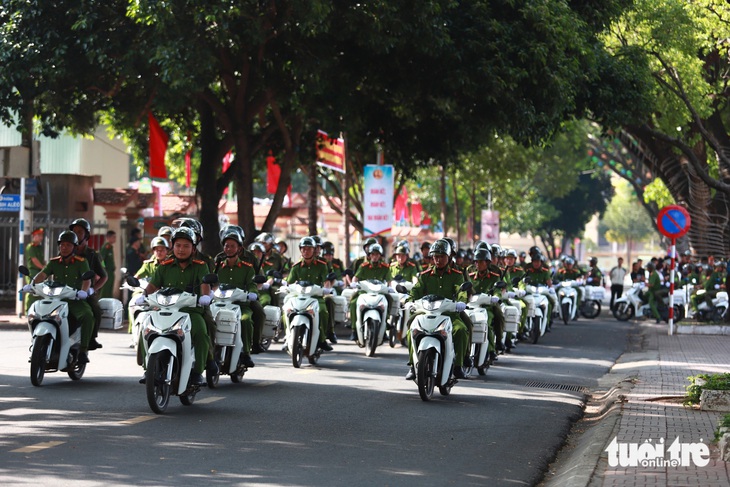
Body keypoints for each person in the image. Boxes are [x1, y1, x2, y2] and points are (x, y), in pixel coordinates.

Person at [137, 227, 215, 385]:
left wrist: (205, 297)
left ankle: (198, 371)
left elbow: (204, 285)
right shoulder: (165, 265)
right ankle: (147, 368)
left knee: (200, 333)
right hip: (165, 310)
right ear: (172, 246)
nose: (181, 249)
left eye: (186, 246)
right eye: (178, 245)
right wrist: (143, 295)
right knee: (145, 328)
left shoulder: (201, 266)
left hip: (190, 312)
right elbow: (153, 285)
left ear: (193, 248)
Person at [26, 231, 94, 363]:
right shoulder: (54, 262)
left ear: (74, 247)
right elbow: (42, 275)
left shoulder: (81, 262)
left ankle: (83, 350)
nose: (64, 247)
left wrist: (83, 292)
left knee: (87, 315)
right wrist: (32, 284)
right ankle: (37, 343)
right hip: (56, 299)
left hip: (74, 300)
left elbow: (87, 280)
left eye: (68, 245)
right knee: (36, 314)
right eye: (62, 245)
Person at [406, 239, 469, 380]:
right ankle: (412, 365)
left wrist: (461, 302)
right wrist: (409, 300)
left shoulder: (456, 275)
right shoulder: (425, 275)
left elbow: (460, 290)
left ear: (449, 257)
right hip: (426, 311)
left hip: (449, 313)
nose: (438, 260)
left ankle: (458, 365)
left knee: (461, 329)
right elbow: (416, 290)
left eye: (442, 256)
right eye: (435, 257)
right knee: (411, 328)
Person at [215, 229, 258, 368]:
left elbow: (252, 284)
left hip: (241, 304)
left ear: (239, 248)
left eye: (232, 246)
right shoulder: (217, 266)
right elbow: (211, 283)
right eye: (226, 245)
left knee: (245, 320)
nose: (229, 249)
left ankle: (246, 352)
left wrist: (252, 293)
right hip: (221, 303)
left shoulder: (247, 268)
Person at [285, 236, 334, 351]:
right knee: (286, 310)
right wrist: (285, 287)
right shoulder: (296, 267)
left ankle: (322, 340)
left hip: (316, 297)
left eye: (309, 249)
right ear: (300, 250)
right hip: (299, 296)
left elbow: (326, 282)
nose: (306, 251)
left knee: (322, 311)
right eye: (303, 249)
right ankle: (288, 337)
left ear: (314, 250)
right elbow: (289, 283)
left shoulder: (322, 265)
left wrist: (327, 289)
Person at [70, 218, 107, 351]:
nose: (76, 234)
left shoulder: (93, 255)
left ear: (86, 235)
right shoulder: (67, 250)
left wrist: (92, 289)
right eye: (74, 231)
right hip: (67, 290)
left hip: (85, 292)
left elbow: (104, 276)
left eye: (80, 232)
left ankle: (91, 338)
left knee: (95, 309)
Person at [348, 243, 391, 341]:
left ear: (380, 255)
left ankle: (384, 326)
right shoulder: (363, 266)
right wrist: (353, 284)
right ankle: (354, 330)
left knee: (389, 300)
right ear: (369, 255)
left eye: (377, 254)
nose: (375, 256)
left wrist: (391, 287)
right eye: (373, 254)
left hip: (380, 293)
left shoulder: (385, 267)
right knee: (354, 302)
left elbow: (389, 280)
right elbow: (355, 277)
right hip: (364, 292)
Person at [129, 236, 170, 333]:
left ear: (167, 251)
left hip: (166, 294)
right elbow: (138, 276)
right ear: (153, 251)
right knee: (133, 303)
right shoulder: (148, 264)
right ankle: (134, 332)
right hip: (149, 293)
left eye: (162, 250)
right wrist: (132, 281)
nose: (159, 253)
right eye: (157, 250)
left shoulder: (171, 264)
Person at [24, 227, 45, 313]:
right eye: (39, 235)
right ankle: (28, 311)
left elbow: (41, 260)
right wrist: (44, 268)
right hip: (32, 272)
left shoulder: (40, 247)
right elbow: (34, 260)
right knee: (32, 291)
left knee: (40, 292)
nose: (41, 237)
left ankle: (37, 310)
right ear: (34, 236)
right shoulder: (30, 247)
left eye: (41, 235)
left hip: (39, 272)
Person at [99, 230, 116, 299]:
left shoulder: (110, 247)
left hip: (111, 271)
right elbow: (101, 259)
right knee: (105, 290)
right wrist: (103, 268)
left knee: (110, 290)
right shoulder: (106, 247)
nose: (115, 239)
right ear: (108, 238)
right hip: (107, 271)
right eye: (113, 237)